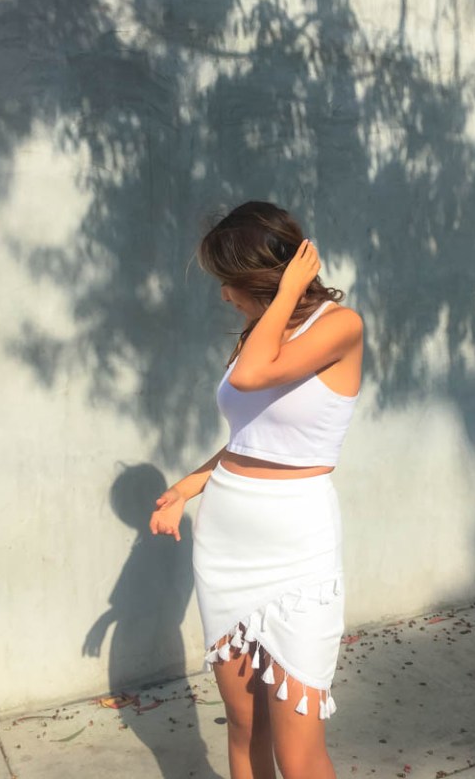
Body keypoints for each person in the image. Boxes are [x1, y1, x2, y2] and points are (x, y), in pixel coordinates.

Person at [150, 201, 363, 779]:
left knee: (299, 754)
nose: (223, 295)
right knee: (244, 729)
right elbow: (251, 438)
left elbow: (249, 378)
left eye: (230, 282)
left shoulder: (341, 327)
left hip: (298, 547)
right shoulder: (260, 334)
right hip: (225, 544)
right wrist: (191, 484)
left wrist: (290, 290)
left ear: (265, 278)